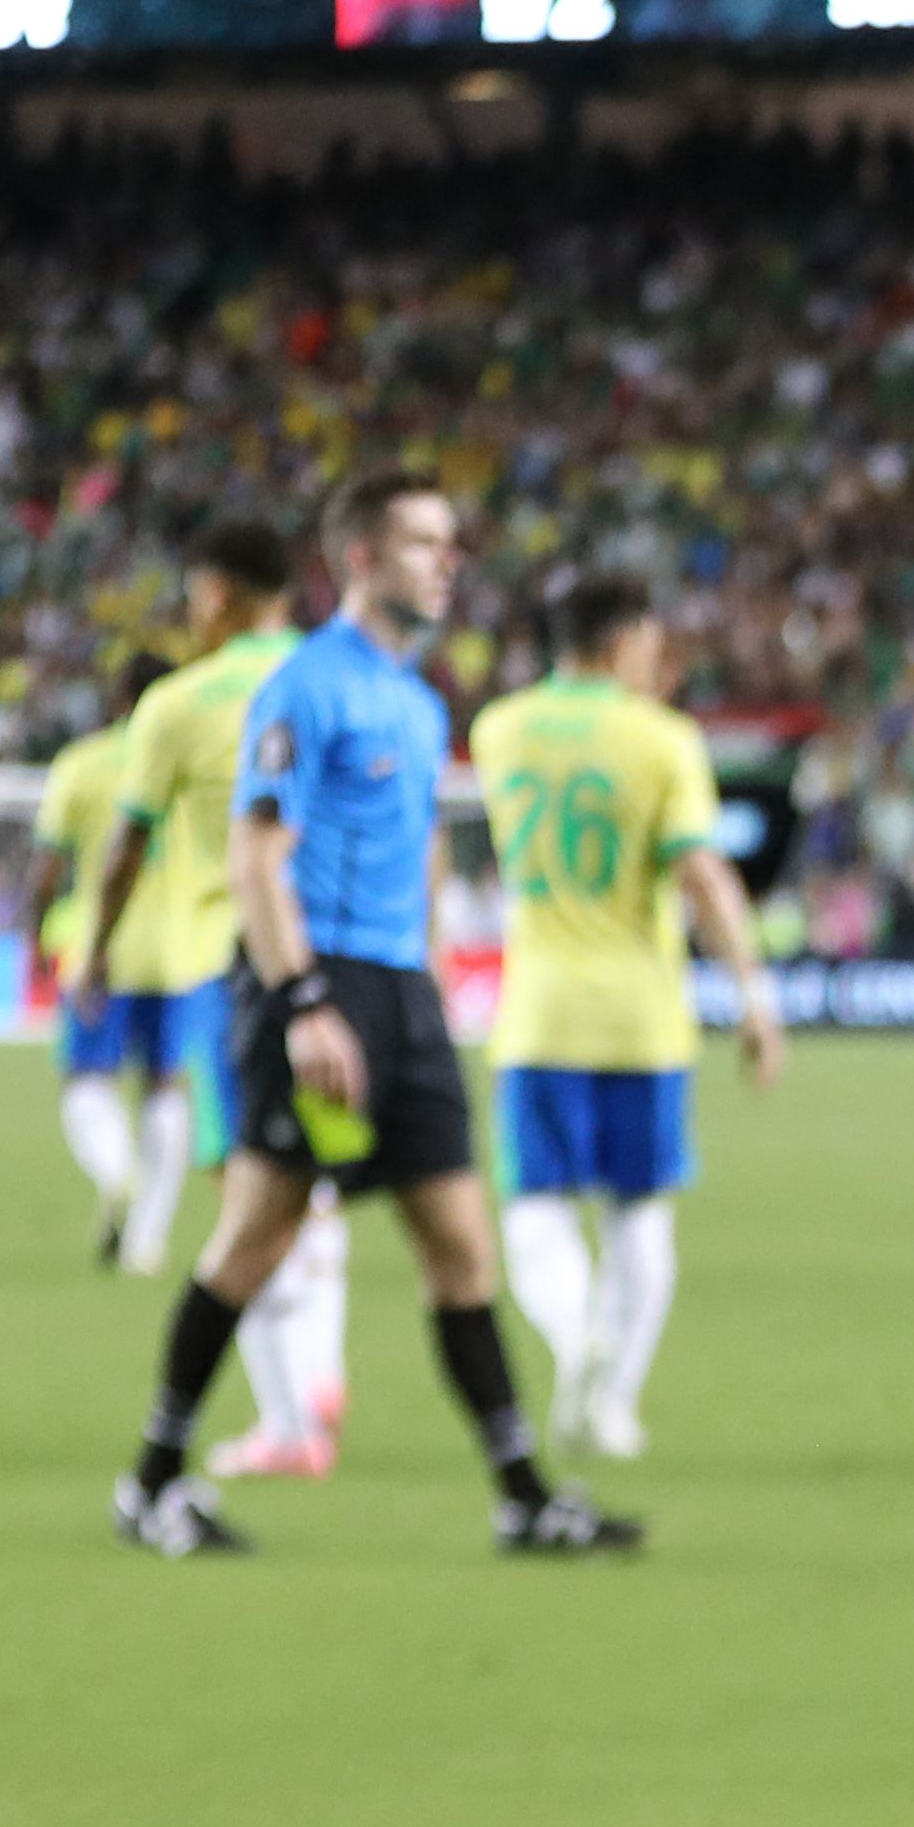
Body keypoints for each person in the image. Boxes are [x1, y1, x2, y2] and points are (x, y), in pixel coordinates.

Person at [105, 472, 639, 1563]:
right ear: (359, 557)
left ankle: (524, 1495)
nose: (449, 561)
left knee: (460, 1245)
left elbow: (425, 857)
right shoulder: (306, 687)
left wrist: (428, 986)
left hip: (400, 995)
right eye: (423, 543)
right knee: (257, 1237)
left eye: (451, 542)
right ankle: (152, 1480)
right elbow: (258, 857)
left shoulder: (421, 699)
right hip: (317, 984)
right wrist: (303, 1003)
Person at [474, 575, 784, 1460]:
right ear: (621, 646)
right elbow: (703, 877)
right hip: (643, 1018)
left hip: (540, 1012)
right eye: (651, 648)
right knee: (640, 1218)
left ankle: (576, 1340)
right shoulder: (663, 741)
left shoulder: (501, 730)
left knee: (535, 1209)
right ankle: (613, 1405)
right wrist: (755, 997)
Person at [91, 522, 347, 1472]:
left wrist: (91, 952)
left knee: (249, 1195)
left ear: (223, 597)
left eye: (197, 592)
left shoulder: (180, 702)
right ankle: (317, 1371)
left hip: (231, 967)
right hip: (347, 959)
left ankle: (290, 1421)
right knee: (315, 1186)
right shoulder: (345, 679)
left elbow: (124, 850)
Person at [31, 654, 179, 1264]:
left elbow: (47, 869)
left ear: (118, 695)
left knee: (86, 1080)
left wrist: (34, 937)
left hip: (101, 950)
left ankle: (119, 1176)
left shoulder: (82, 765)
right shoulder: (187, 759)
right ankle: (147, 1240)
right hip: (178, 953)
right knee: (165, 1086)